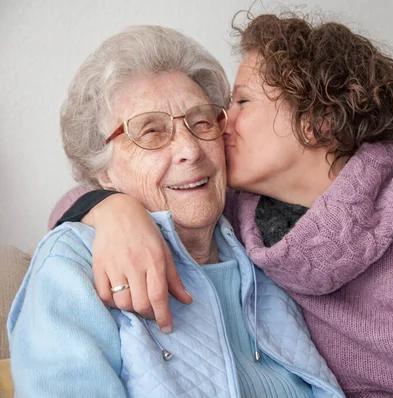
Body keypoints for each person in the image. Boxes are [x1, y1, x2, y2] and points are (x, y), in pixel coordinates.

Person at [55, 13, 393, 397]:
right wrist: (113, 211)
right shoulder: (241, 220)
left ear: (316, 121)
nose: (218, 125)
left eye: (240, 102)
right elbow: (92, 187)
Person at [7, 25, 344, 398]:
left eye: (201, 123)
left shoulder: (266, 243)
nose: (190, 150)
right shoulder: (72, 267)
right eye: (151, 132)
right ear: (102, 171)